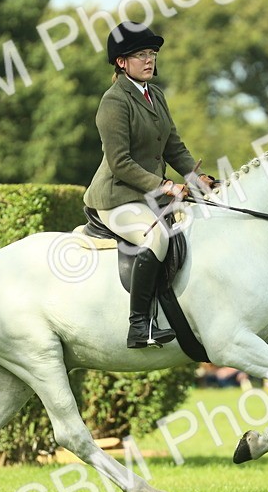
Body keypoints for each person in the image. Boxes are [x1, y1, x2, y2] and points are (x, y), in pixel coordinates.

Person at [82, 21, 216, 349]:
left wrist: (195, 177)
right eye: (140, 54)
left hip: (147, 197)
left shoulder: (155, 94)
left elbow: (173, 146)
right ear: (121, 62)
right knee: (156, 238)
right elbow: (120, 163)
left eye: (152, 53)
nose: (149, 60)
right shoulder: (114, 102)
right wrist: (164, 184)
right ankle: (139, 324)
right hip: (116, 197)